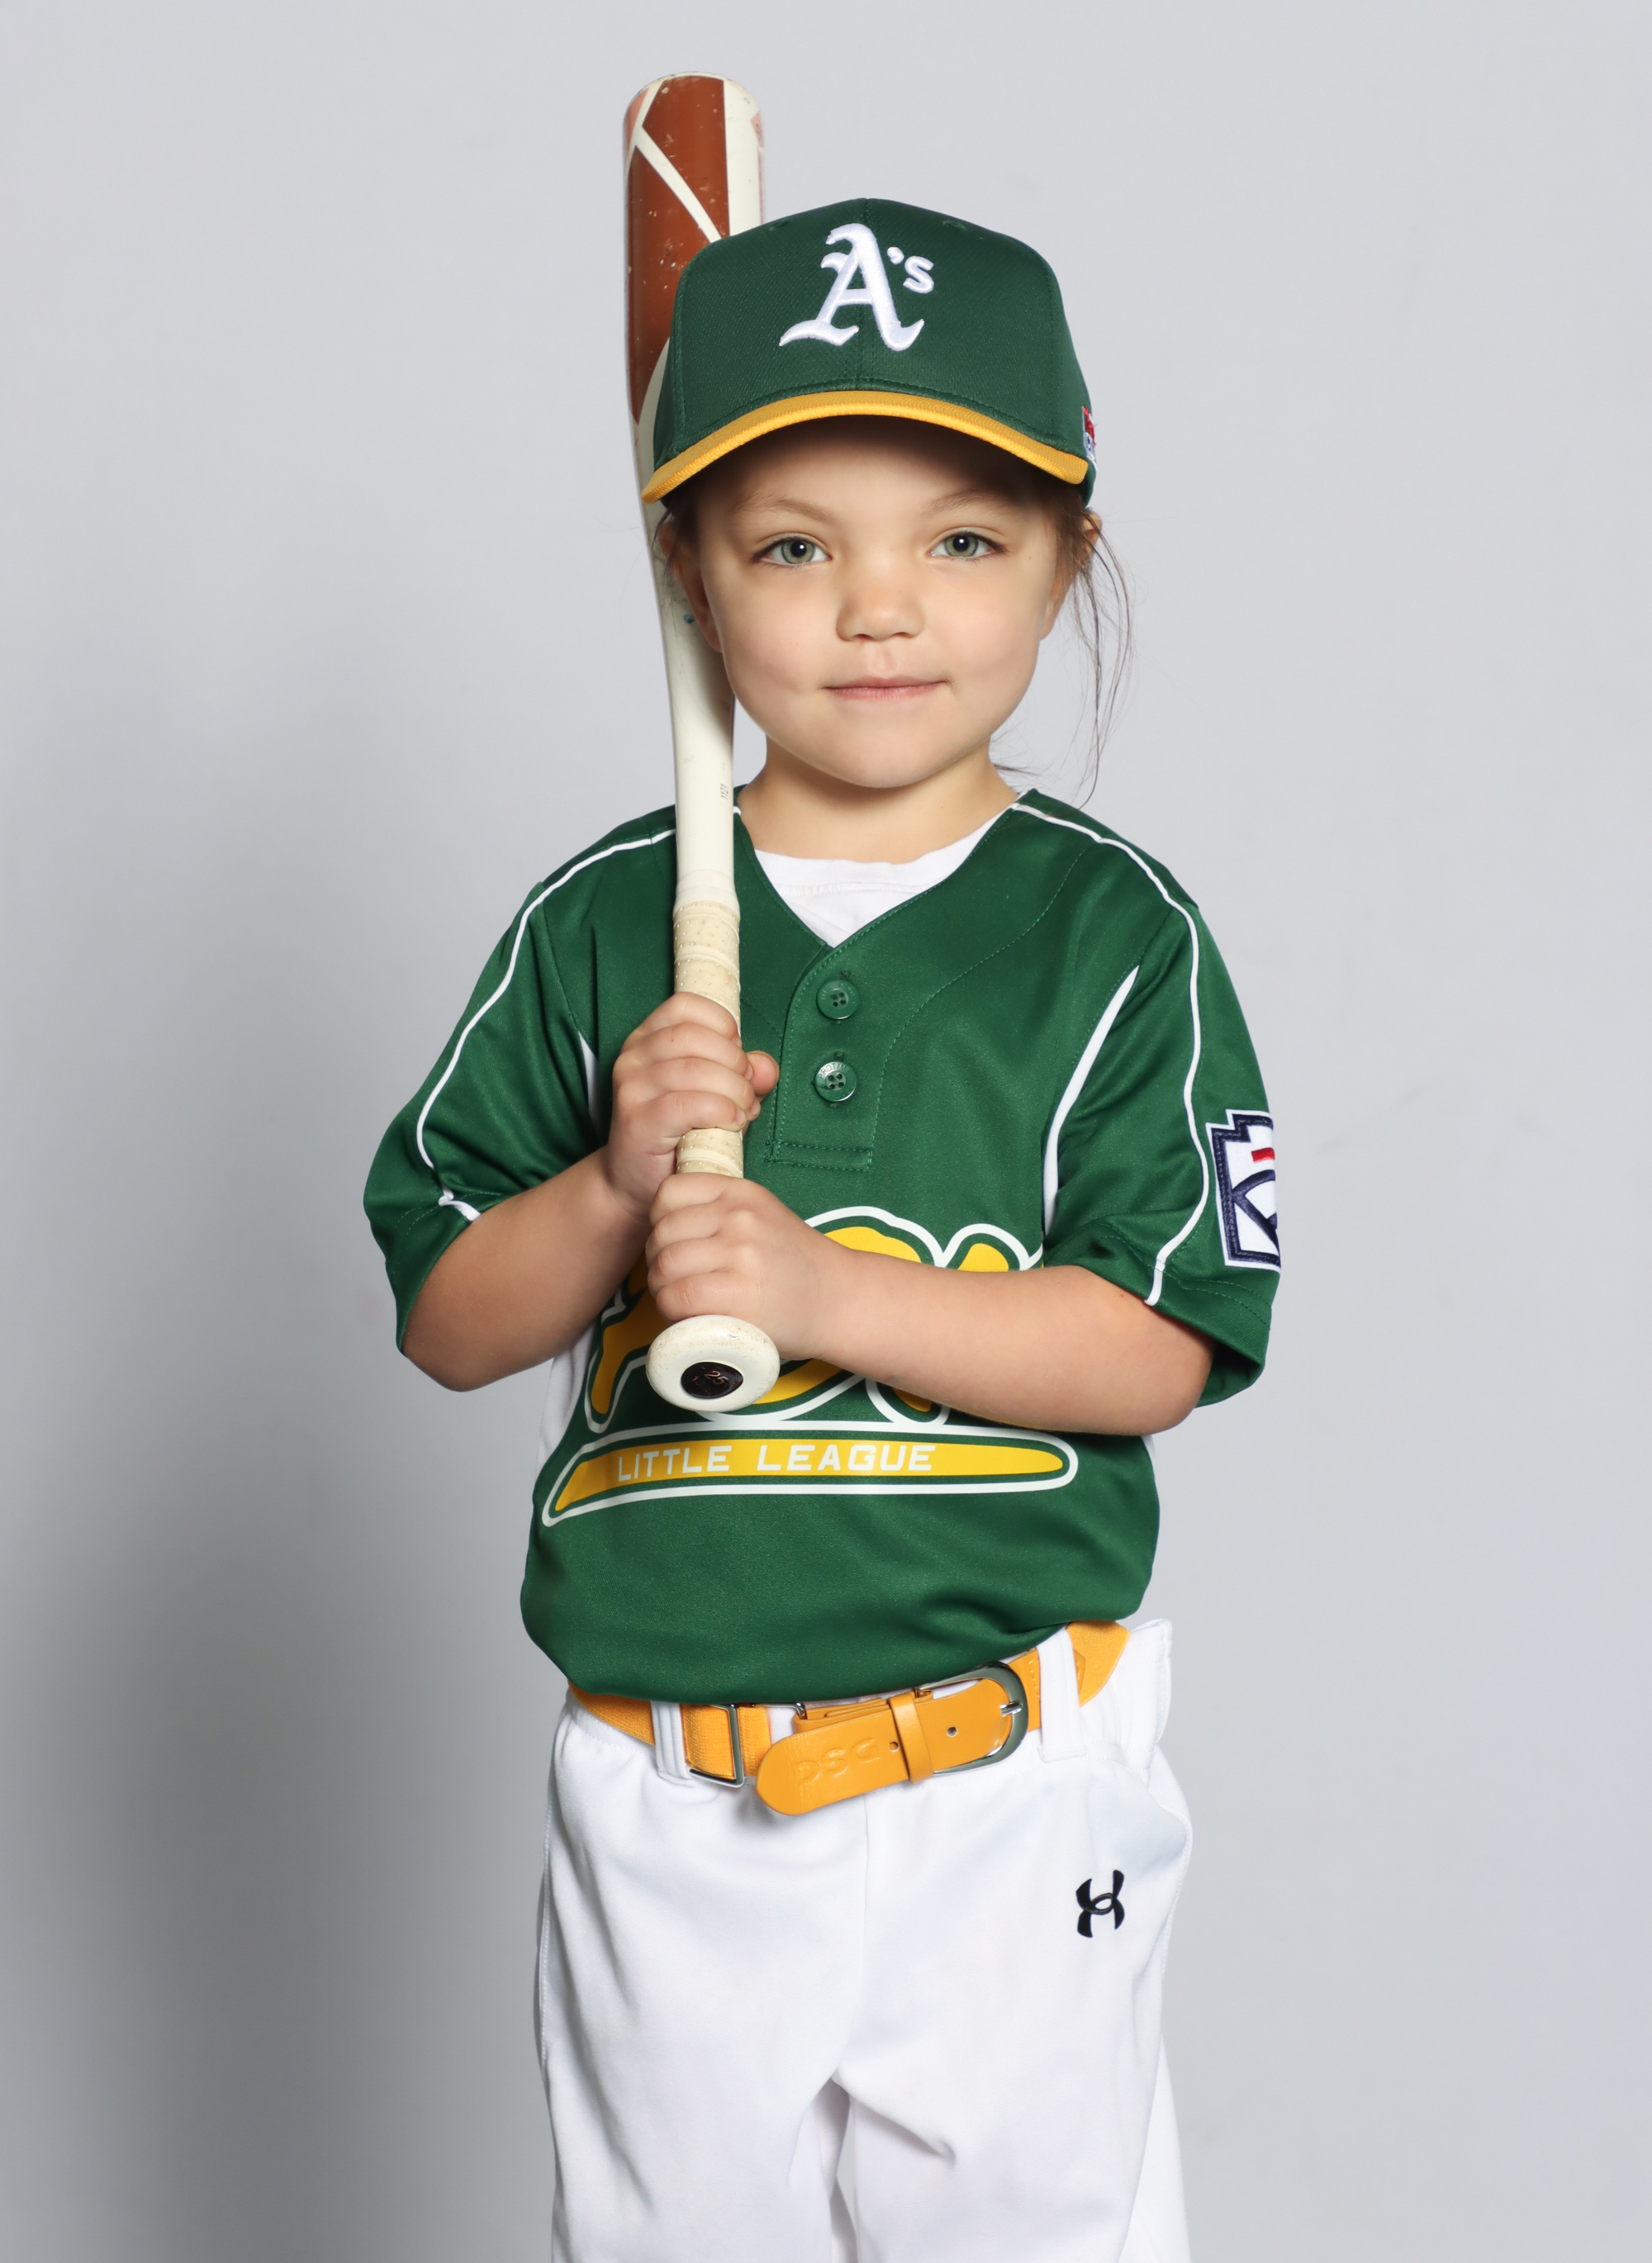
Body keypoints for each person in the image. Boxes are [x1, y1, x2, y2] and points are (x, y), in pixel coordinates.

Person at [365, 197, 1279, 2262]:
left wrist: (814, 1285)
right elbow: (446, 1316)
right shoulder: (603, 924)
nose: (880, 607)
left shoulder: (1113, 934)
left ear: (1065, 559)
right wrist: (613, 1183)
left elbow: (1160, 1341)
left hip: (1009, 1773)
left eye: (961, 539)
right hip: (671, 1795)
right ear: (686, 572)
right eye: (792, 545)